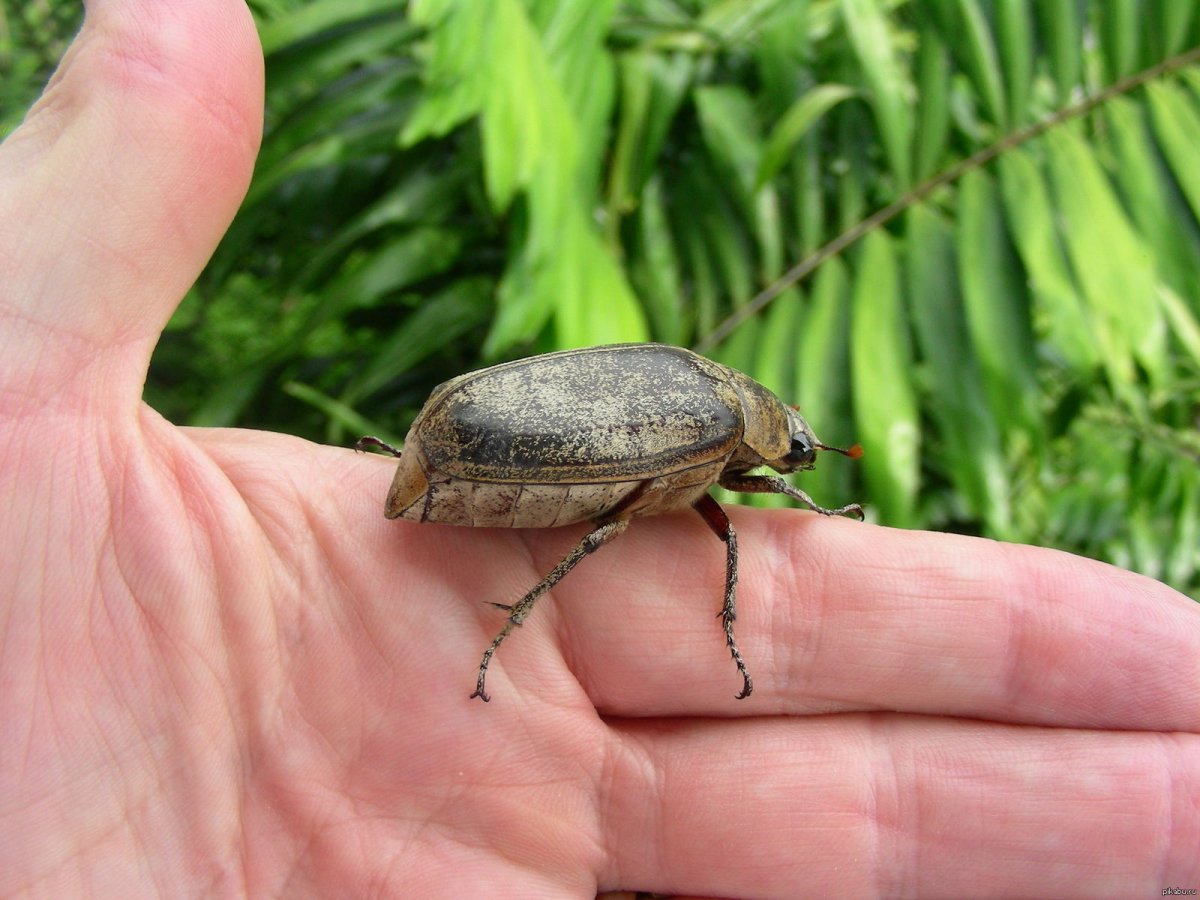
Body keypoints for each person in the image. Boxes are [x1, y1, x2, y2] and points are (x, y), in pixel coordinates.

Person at [2, 2, 1196, 896]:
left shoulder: (712, 409)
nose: (782, 472)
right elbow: (706, 498)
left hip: (472, 426)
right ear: (766, 436)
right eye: (790, 463)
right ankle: (513, 610)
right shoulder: (715, 427)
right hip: (493, 453)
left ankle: (452, 521)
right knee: (618, 527)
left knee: (620, 512)